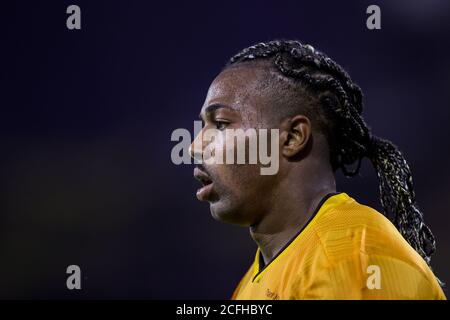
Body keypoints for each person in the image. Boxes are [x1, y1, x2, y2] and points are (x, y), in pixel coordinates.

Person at [190, 40, 446, 299]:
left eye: (220, 123)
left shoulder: (353, 259)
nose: (194, 147)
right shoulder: (254, 281)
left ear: (292, 137)